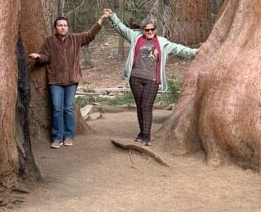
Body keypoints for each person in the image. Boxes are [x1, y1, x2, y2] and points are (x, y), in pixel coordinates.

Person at [105, 11, 197, 146]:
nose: (149, 32)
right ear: (142, 30)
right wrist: (112, 16)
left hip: (152, 79)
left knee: (146, 106)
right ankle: (142, 133)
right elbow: (122, 28)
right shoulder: (136, 37)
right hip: (135, 77)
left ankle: (147, 136)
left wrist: (194, 52)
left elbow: (179, 49)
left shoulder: (162, 42)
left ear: (156, 29)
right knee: (140, 106)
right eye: (146, 29)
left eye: (152, 29)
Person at [29, 10, 112, 149]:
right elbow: (45, 56)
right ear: (55, 27)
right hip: (55, 81)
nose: (62, 27)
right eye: (60, 25)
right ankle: (57, 138)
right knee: (57, 109)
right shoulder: (49, 41)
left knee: (68, 109)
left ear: (68, 27)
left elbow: (90, 35)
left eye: (65, 25)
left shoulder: (75, 39)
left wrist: (101, 19)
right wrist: (38, 56)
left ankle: (68, 136)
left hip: (72, 80)